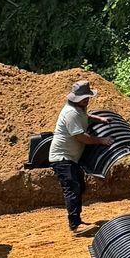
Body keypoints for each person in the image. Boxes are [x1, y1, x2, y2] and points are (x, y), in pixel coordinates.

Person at [51, 80, 98, 232]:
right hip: (62, 158)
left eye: (87, 97)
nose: (87, 100)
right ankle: (75, 225)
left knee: (79, 187)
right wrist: (101, 140)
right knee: (72, 189)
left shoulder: (79, 108)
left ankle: (77, 220)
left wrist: (99, 119)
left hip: (71, 158)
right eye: (84, 98)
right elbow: (81, 137)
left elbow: (85, 117)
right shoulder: (70, 112)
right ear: (76, 99)